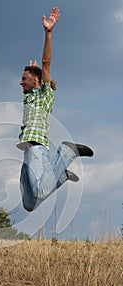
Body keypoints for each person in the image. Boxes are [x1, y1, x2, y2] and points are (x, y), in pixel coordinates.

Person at [17, 7, 94, 212]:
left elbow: (46, 62)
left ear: (36, 81)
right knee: (29, 204)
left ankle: (67, 152)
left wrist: (48, 33)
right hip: (27, 153)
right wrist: (33, 71)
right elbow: (38, 71)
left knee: (41, 191)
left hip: (37, 148)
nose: (20, 82)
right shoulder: (31, 95)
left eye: (24, 79)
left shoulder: (43, 95)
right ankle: (60, 176)